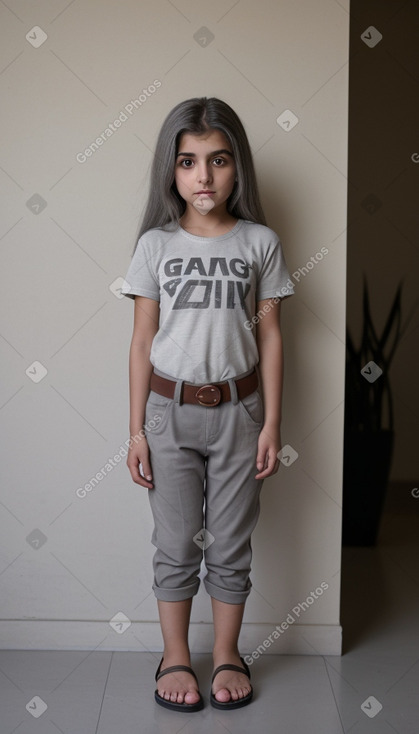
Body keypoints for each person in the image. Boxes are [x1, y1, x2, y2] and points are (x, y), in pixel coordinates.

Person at [121, 97, 294, 712]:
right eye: (188, 161)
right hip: (168, 414)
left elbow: (269, 335)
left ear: (237, 166)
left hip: (240, 414)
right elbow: (143, 340)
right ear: (170, 170)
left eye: (218, 161)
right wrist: (136, 430)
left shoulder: (260, 242)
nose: (203, 177)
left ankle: (226, 654)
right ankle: (175, 656)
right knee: (175, 541)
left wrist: (272, 421)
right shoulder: (155, 246)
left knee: (229, 542)